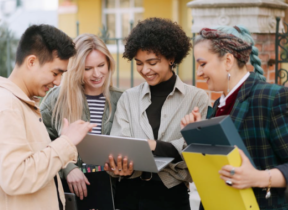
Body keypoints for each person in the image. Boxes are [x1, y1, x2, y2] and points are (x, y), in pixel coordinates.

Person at [104, 18, 210, 210]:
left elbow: (193, 150)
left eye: (152, 62)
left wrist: (150, 145)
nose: (145, 70)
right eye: (138, 63)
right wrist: (118, 164)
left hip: (171, 195)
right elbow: (120, 144)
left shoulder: (196, 98)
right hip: (129, 193)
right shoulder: (128, 97)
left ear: (171, 57)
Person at [0, 24, 96, 210]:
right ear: (31, 62)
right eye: (55, 73)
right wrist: (66, 142)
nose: (57, 82)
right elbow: (16, 178)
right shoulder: (5, 106)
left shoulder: (23, 103)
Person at [181, 25, 288, 210]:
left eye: (203, 64)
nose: (198, 73)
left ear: (228, 60)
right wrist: (198, 136)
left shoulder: (271, 98)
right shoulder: (216, 106)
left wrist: (258, 177)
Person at [40, 33, 123, 200]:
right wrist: (67, 167)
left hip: (110, 187)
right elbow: (41, 141)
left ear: (108, 63)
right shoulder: (56, 98)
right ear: (76, 69)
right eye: (87, 69)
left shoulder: (121, 99)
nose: (97, 74)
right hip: (68, 188)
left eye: (101, 65)